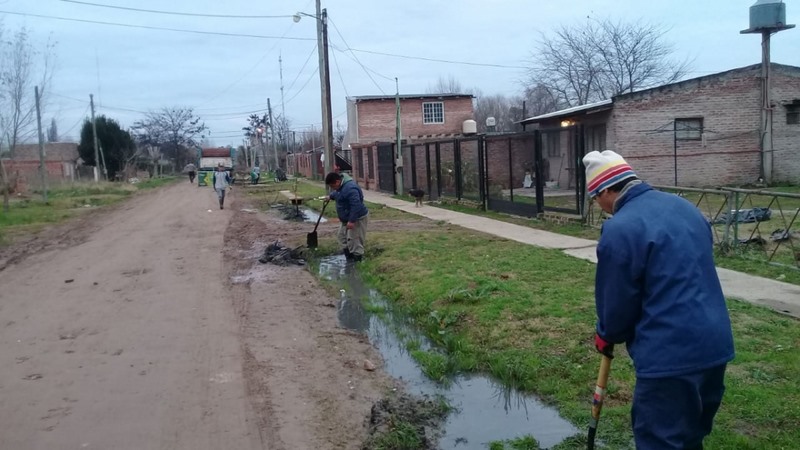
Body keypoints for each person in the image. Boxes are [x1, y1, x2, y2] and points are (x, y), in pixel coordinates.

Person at [583, 150, 734, 450]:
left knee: (661, 441)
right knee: (690, 437)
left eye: (594, 199)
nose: (598, 207)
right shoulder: (685, 208)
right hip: (714, 347)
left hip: (670, 357)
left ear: (605, 190)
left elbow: (616, 308)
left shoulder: (620, 228)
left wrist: (606, 334)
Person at [325, 172, 369, 261]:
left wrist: (352, 221)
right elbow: (338, 193)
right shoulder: (340, 187)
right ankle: (349, 260)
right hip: (346, 218)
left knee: (354, 240)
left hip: (357, 218)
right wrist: (330, 196)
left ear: (337, 182)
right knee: (342, 237)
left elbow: (356, 205)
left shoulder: (350, 189)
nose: (332, 188)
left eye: (332, 186)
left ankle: (356, 264)